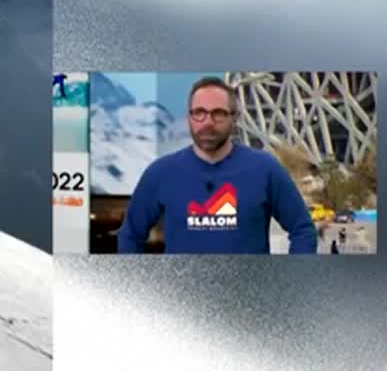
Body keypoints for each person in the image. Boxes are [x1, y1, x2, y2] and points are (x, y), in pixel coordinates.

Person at [116, 76, 318, 254]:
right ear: (189, 117)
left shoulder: (265, 169)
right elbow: (130, 236)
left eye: (218, 113)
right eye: (199, 113)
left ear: (234, 119)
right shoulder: (160, 173)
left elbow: (302, 230)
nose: (208, 122)